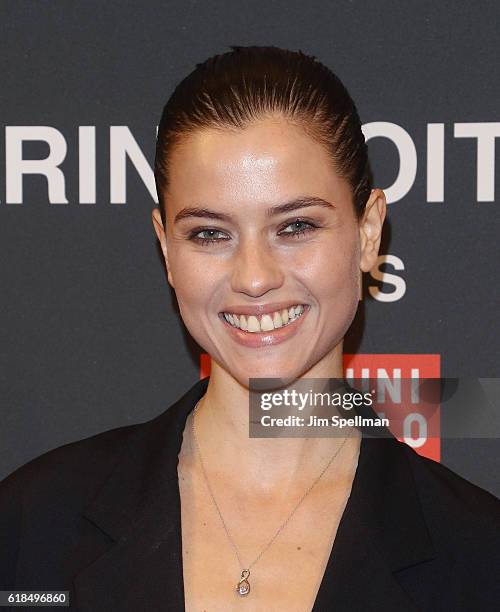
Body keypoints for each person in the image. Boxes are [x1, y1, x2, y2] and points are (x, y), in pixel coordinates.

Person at [1, 45, 499, 611]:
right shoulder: (34, 524)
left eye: (296, 226)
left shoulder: (479, 558)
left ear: (367, 232)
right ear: (166, 247)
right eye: (210, 233)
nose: (255, 278)